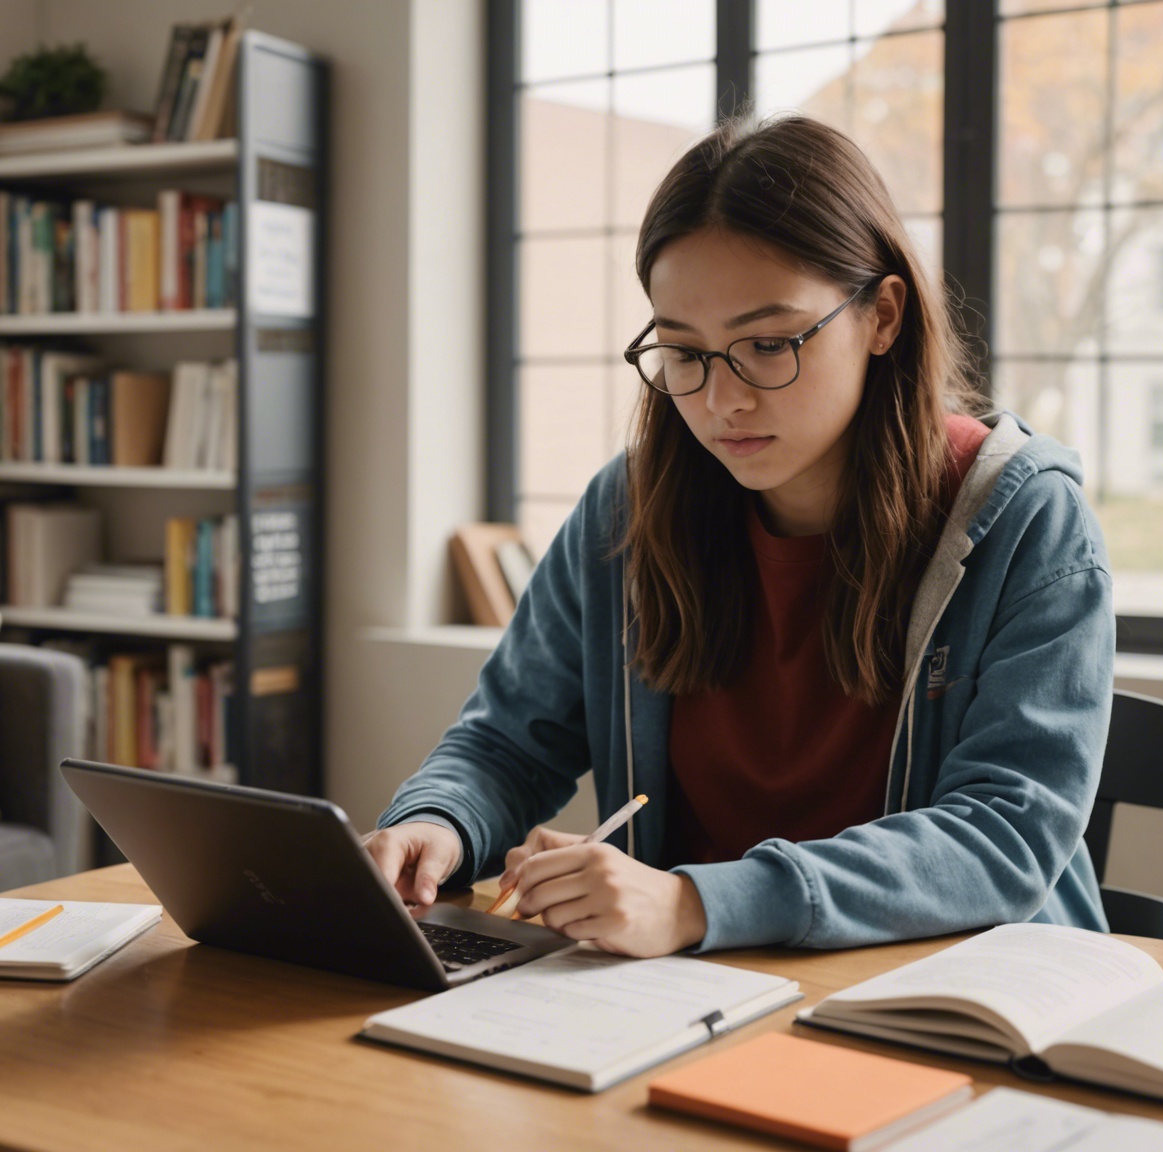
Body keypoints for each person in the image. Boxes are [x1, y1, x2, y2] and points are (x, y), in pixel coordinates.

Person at [363, 112, 1115, 958]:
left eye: (765, 344)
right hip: (695, 994)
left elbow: (1004, 838)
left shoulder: (1024, 520)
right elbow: (506, 740)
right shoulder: (628, 511)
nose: (722, 401)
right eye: (683, 352)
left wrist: (695, 902)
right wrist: (437, 821)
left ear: (884, 316)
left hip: (953, 1001)